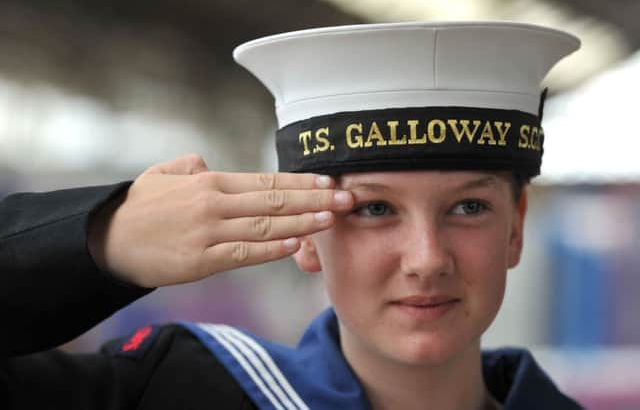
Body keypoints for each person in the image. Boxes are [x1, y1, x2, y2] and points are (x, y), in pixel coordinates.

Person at [0, 22, 584, 409]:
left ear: (515, 226)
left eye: (469, 207)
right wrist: (95, 241)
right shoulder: (168, 392)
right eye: (375, 208)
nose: (427, 259)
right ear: (305, 233)